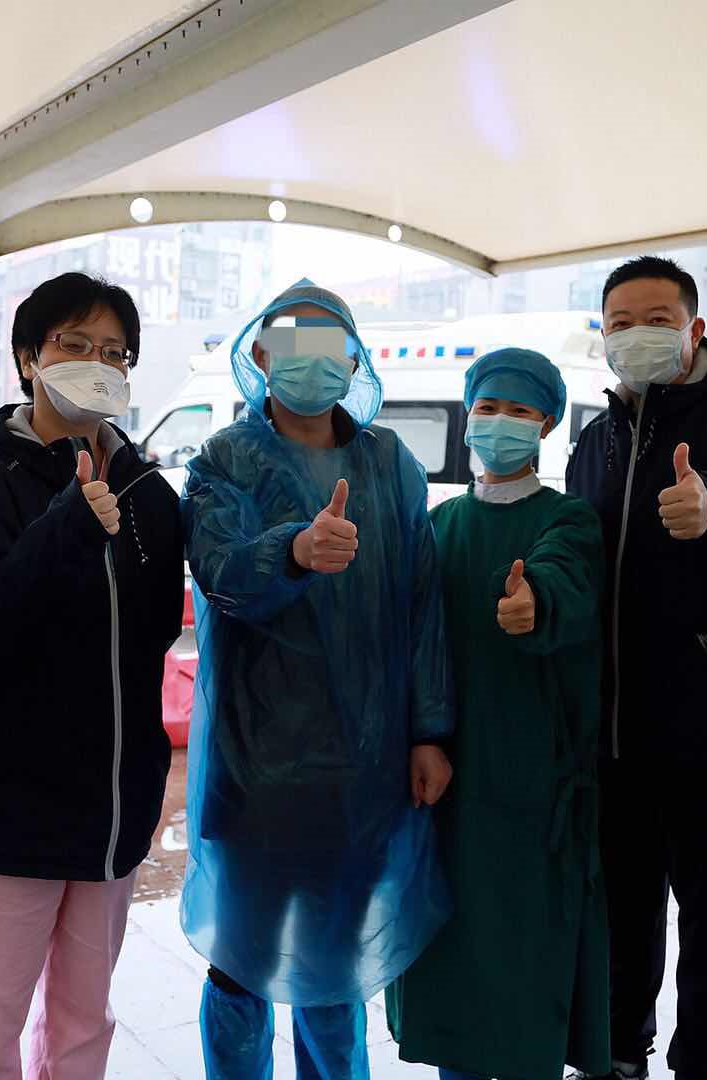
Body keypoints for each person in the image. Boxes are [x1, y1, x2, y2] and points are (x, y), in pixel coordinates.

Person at [180, 278, 455, 1079]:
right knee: (242, 959)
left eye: (327, 343)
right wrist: (294, 551)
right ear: (261, 355)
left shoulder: (389, 464)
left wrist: (429, 731)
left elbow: (423, 605)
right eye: (292, 342)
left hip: (362, 770)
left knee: (335, 969)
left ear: (354, 359)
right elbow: (220, 573)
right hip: (254, 763)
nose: (310, 360)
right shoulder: (227, 459)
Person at [0, 273, 184, 1079]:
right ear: (29, 358)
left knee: (82, 1023)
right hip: (1, 812)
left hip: (109, 810)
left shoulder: (150, 494)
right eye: (75, 344)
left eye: (115, 352)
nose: (97, 364)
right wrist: (66, 528)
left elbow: (152, 637)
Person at [566, 256, 707, 1080]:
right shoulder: (595, 439)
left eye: (657, 319)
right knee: (622, 908)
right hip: (614, 725)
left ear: (694, 329)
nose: (638, 335)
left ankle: (702, 1064)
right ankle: (619, 1050)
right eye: (620, 323)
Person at [387, 348, 610, 1080]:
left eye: (519, 410)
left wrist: (533, 602)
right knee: (450, 963)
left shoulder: (567, 519)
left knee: (521, 969)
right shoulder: (438, 524)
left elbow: (563, 575)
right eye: (487, 407)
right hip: (443, 781)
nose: (500, 422)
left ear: (546, 423)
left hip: (529, 784)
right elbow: (408, 639)